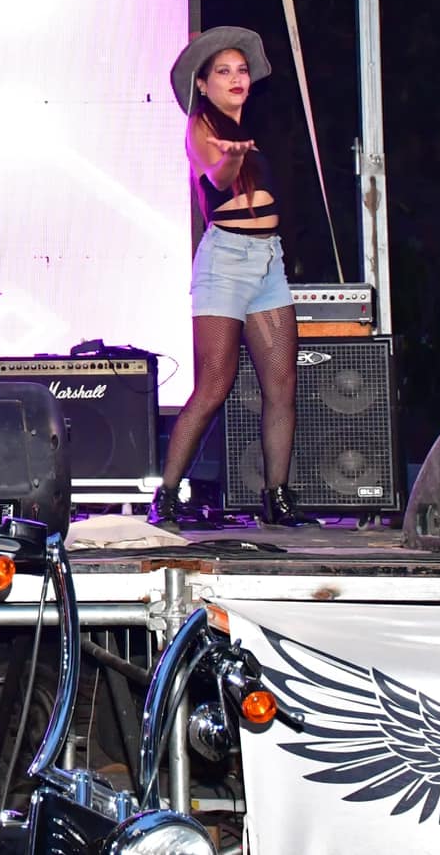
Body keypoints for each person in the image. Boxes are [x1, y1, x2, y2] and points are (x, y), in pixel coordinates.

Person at [149, 27, 315, 530]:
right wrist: (233, 157)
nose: (236, 78)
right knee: (214, 384)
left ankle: (277, 497)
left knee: (281, 383)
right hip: (225, 262)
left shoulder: (252, 128)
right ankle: (167, 496)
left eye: (241, 70)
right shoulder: (201, 125)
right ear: (203, 83)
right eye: (223, 71)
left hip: (269, 261)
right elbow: (217, 178)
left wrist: (243, 152)